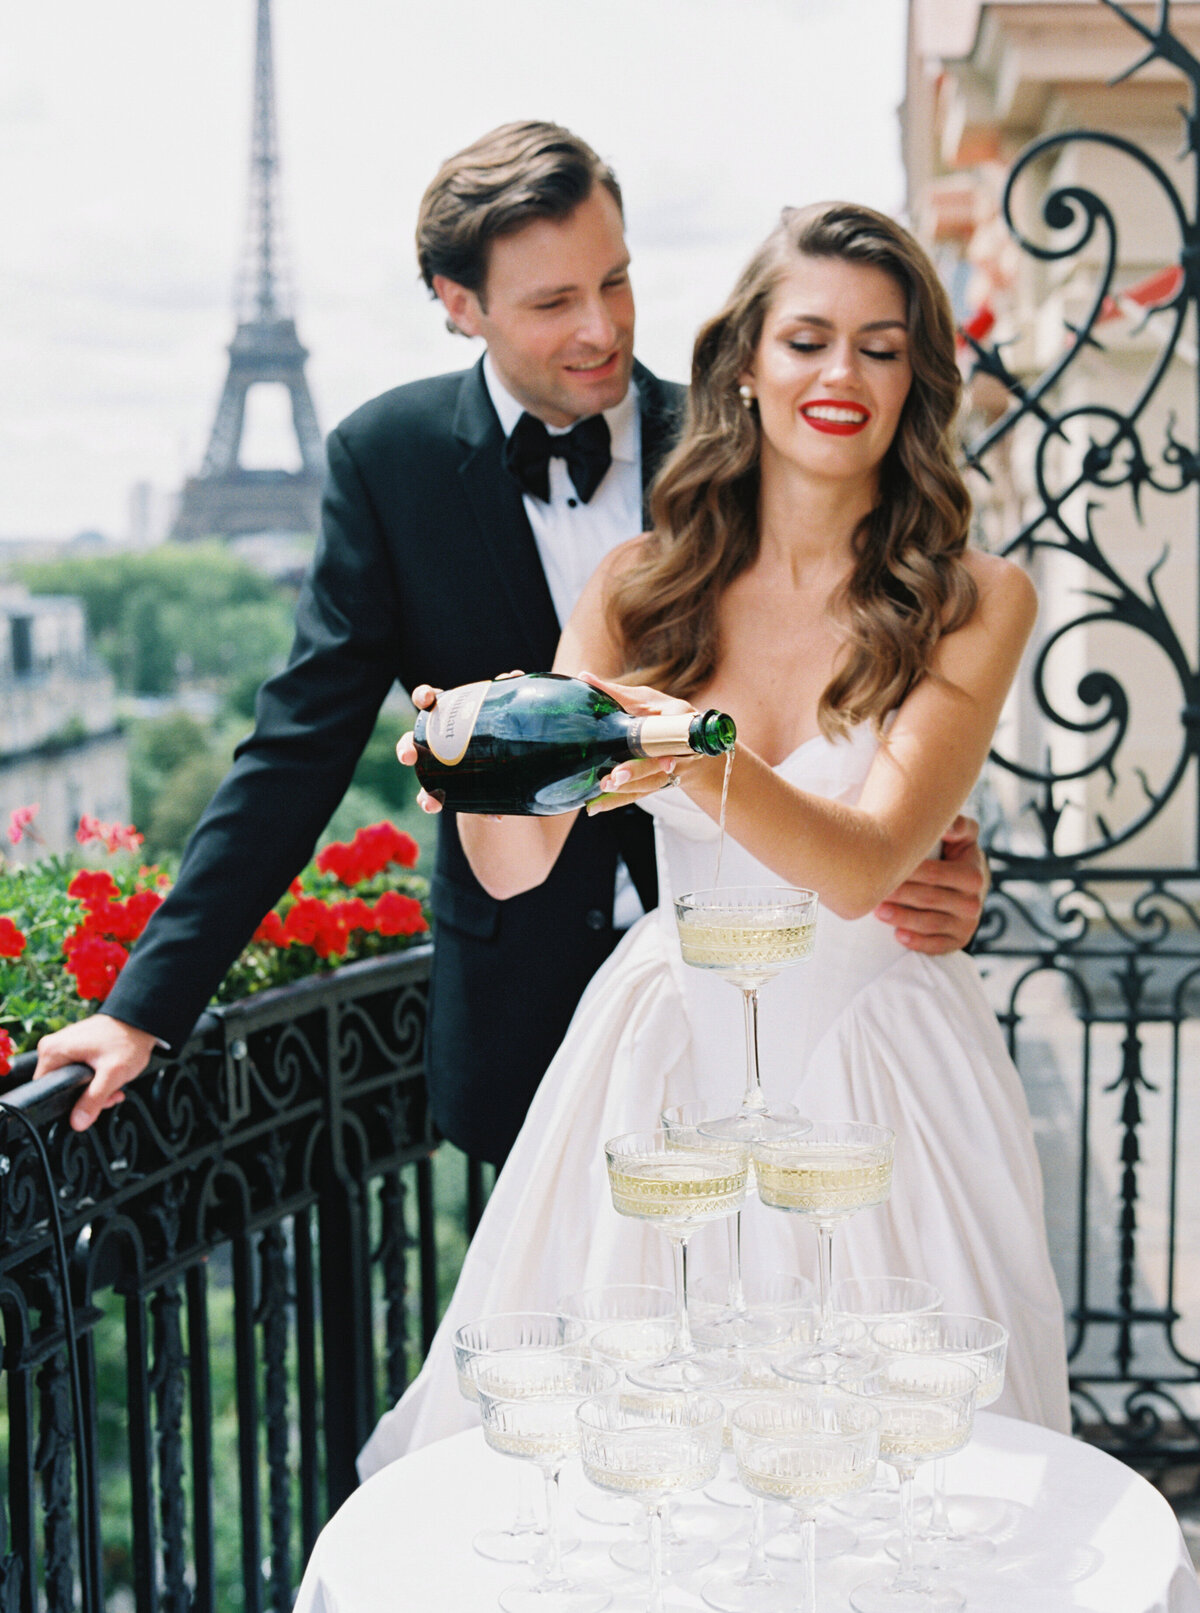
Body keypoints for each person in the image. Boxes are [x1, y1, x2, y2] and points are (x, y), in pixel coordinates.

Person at [33, 124, 985, 1169]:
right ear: (458, 303)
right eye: (550, 303)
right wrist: (143, 1007)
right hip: (526, 1020)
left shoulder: (752, 440)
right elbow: (296, 753)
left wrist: (938, 844)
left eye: (615, 282)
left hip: (777, 1010)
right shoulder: (385, 464)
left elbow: (862, 659)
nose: (602, 329)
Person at [360, 200, 1069, 1472]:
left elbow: (863, 867)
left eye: (882, 345)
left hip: (884, 1080)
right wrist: (481, 767)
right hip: (667, 1056)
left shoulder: (976, 597)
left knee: (906, 1471)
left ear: (918, 379)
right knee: (641, 1460)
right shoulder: (637, 585)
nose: (841, 373)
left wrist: (687, 745)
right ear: (746, 362)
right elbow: (522, 866)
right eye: (807, 339)